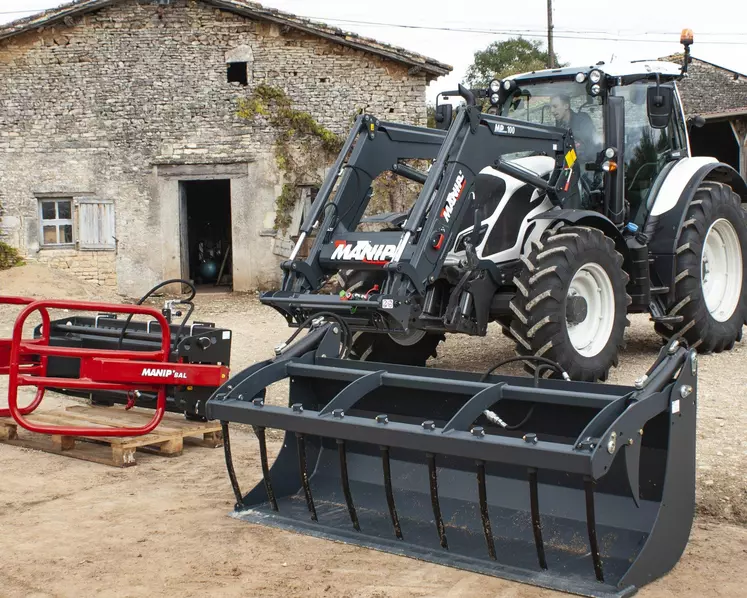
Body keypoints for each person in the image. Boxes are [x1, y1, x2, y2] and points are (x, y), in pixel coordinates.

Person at [550, 94, 597, 161]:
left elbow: (583, 148)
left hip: (585, 163)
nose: (552, 110)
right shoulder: (559, 125)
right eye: (551, 107)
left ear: (566, 106)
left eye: (555, 106)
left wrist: (566, 161)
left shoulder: (582, 121)